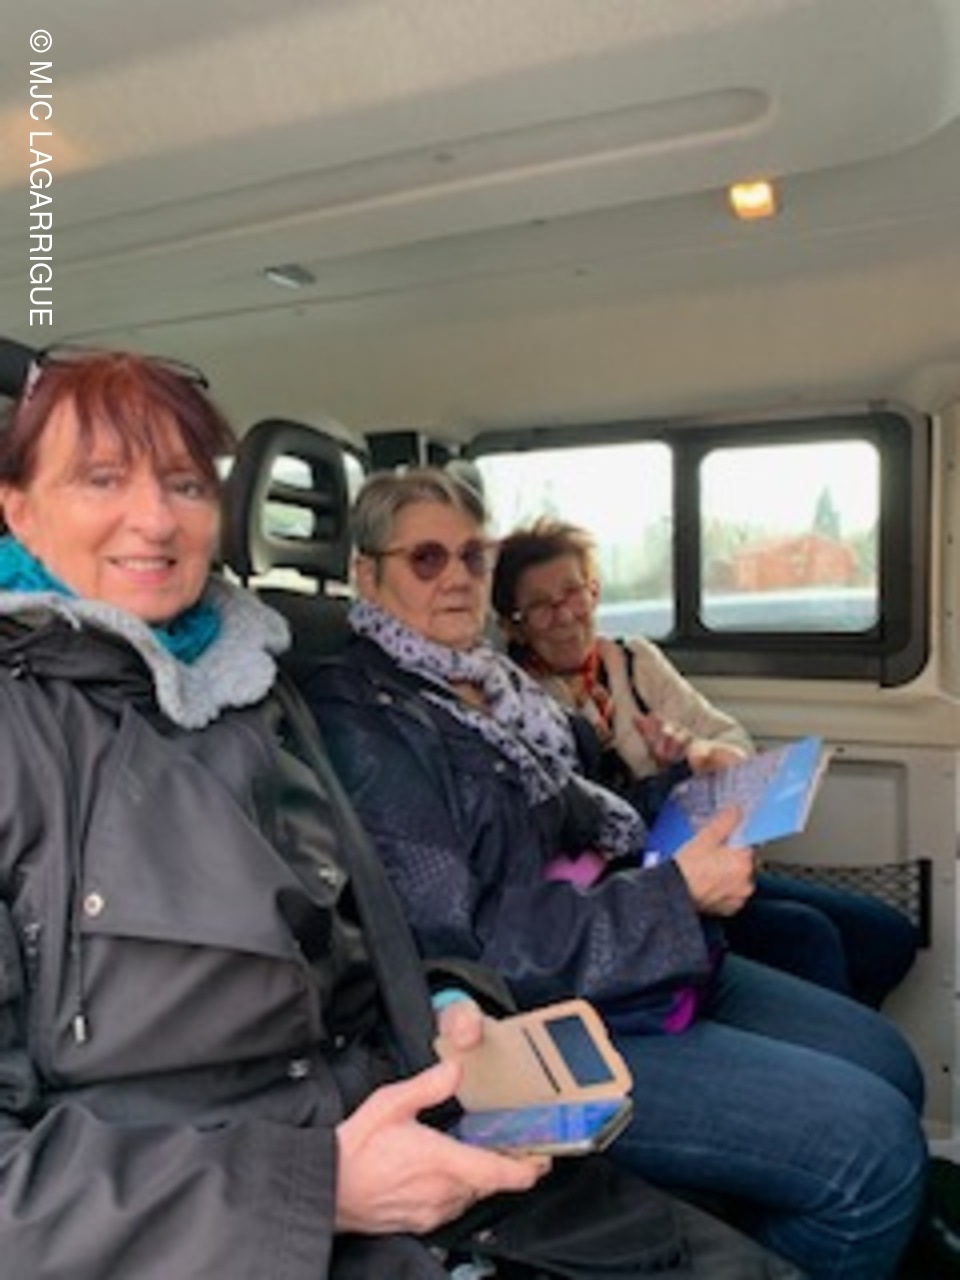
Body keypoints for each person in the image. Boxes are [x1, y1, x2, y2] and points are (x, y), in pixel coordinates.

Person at [0, 350, 803, 1280]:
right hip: (232, 1223)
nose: (154, 517)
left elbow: (373, 938)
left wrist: (448, 1004)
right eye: (102, 479)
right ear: (17, 507)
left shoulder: (254, 694)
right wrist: (320, 1188)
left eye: (185, 483)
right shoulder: (29, 739)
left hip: (418, 1118)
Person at [301, 466, 929, 1280]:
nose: (456, 576)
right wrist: (676, 895)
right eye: (426, 558)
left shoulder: (491, 686)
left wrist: (688, 790)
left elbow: (587, 815)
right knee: (874, 1156)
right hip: (531, 1018)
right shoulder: (365, 719)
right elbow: (466, 945)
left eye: (472, 556)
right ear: (367, 574)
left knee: (889, 1062)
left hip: (635, 957)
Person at [490, 518, 921, 1009]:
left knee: (887, 935)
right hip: (629, 890)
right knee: (809, 935)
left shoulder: (634, 660)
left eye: (573, 593)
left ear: (594, 592)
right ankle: (833, 1044)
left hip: (696, 849)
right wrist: (666, 776)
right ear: (513, 624)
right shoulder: (511, 702)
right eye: (540, 607)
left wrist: (697, 750)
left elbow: (727, 737)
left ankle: (830, 1030)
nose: (565, 616)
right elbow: (572, 824)